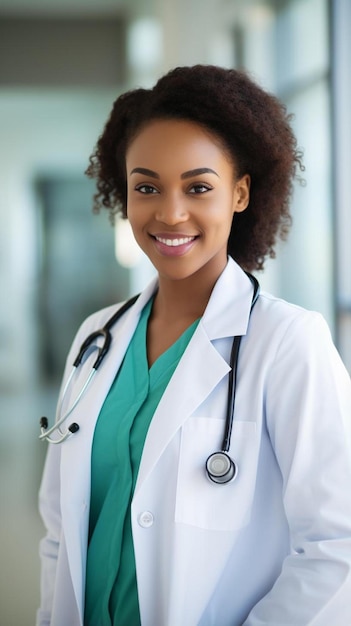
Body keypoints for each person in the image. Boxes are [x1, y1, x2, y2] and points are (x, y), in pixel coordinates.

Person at [37, 65, 351, 626]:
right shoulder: (96, 340)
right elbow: (61, 532)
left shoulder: (286, 344)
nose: (170, 213)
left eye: (198, 187)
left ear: (240, 192)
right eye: (147, 187)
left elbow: (337, 546)